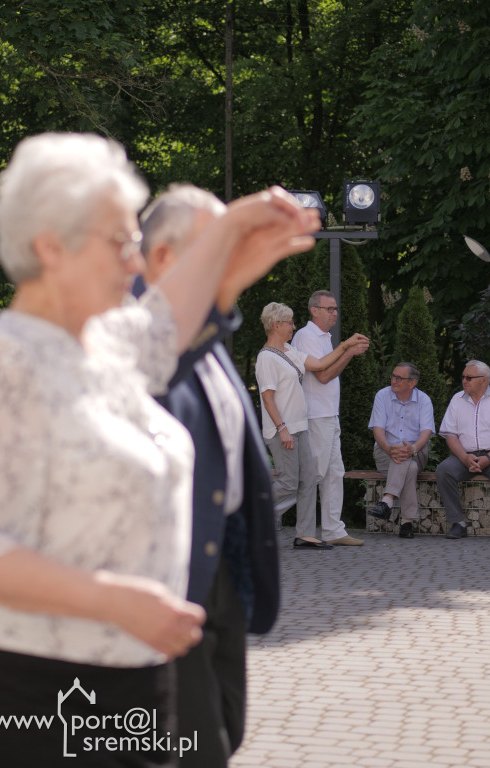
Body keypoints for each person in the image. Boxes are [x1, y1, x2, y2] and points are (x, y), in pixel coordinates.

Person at [0, 132, 320, 767]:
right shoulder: (4, 363)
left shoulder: (103, 345)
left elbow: (171, 320)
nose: (135, 263)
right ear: (49, 247)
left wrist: (238, 239)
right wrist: (111, 599)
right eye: (119, 242)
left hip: (137, 681)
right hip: (42, 695)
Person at [137, 184, 282, 768]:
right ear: (167, 257)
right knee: (199, 746)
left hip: (226, 563)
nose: (231, 259)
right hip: (169, 573)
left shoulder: (209, 329)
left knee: (228, 725)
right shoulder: (140, 333)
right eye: (216, 245)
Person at [255, 302, 368, 550]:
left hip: (300, 427)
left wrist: (345, 346)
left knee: (307, 480)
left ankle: (305, 535)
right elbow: (267, 397)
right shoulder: (266, 358)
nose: (293, 327)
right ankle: (248, 512)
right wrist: (282, 429)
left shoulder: (288, 351)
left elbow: (318, 365)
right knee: (288, 482)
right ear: (276, 325)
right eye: (290, 323)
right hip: (281, 430)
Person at [291, 290, 369, 546]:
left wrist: (347, 352)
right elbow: (322, 375)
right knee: (315, 474)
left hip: (328, 414)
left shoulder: (325, 337)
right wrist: (346, 349)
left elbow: (328, 372)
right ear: (314, 310)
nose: (335, 313)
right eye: (329, 309)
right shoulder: (306, 336)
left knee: (335, 472)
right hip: (316, 415)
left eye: (336, 309)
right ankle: (302, 530)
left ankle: (334, 530)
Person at [436, 360, 490, 541]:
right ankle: (458, 524)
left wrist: (489, 457)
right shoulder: (457, 400)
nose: (465, 380)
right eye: (463, 377)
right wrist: (464, 458)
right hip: (465, 455)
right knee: (443, 471)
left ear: (484, 380)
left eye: (469, 377)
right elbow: (450, 435)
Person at [367, 363, 435, 538]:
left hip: (417, 451)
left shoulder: (424, 400)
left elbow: (426, 432)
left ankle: (387, 501)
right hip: (385, 452)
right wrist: (390, 449)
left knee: (407, 458)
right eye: (393, 376)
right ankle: (407, 522)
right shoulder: (382, 396)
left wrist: (412, 448)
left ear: (412, 383)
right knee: (408, 466)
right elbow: (378, 431)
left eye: (399, 378)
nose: (393, 380)